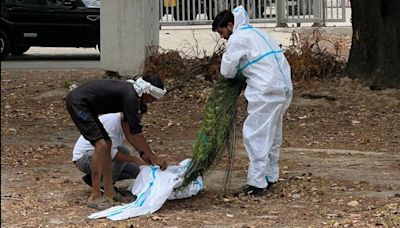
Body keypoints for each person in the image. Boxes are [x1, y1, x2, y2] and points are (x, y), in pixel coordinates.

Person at [212, 6, 293, 196]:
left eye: (223, 32)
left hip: (265, 91)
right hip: (283, 88)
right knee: (273, 135)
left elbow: (227, 71)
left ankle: (256, 183)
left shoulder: (238, 38)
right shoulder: (258, 33)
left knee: (255, 135)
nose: (223, 37)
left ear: (230, 25)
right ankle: (270, 176)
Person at [66, 75, 168, 207]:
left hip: (89, 106)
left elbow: (129, 131)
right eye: (152, 98)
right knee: (101, 145)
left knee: (107, 145)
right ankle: (95, 196)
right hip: (78, 103)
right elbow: (136, 132)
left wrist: (143, 154)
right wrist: (153, 157)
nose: (152, 102)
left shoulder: (132, 97)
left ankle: (109, 192)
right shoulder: (131, 97)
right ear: (147, 92)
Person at [72, 112, 146, 197]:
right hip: (84, 158)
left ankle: (93, 179)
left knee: (135, 171)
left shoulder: (124, 123)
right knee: (124, 152)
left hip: (97, 155)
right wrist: (135, 160)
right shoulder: (112, 124)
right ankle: (106, 186)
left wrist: (146, 157)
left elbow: (135, 140)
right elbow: (111, 153)